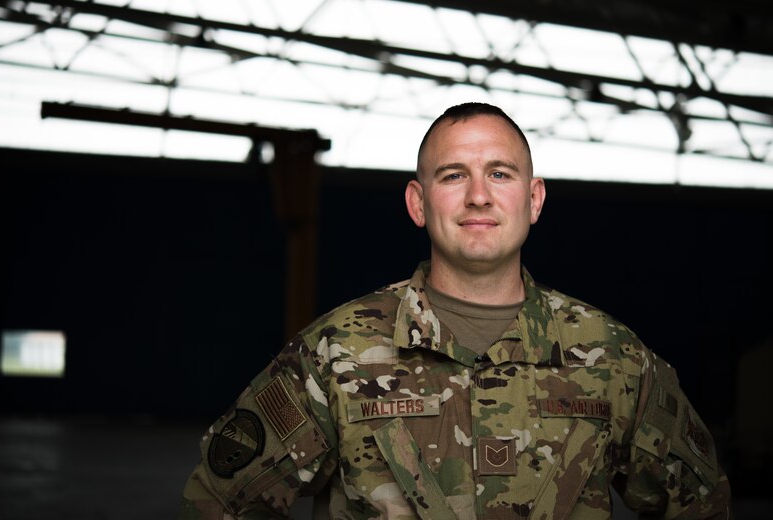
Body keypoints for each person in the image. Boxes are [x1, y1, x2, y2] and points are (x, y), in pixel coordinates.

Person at [179, 103, 732, 519]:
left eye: (500, 173)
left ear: (533, 199)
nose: (478, 196)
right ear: (418, 203)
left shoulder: (614, 357)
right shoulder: (338, 350)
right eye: (453, 176)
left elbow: (703, 507)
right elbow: (217, 503)